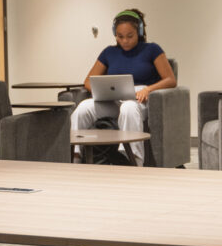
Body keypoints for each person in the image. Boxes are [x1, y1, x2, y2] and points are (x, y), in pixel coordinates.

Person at [71, 9, 177, 165]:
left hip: (140, 99)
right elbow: (88, 81)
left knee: (128, 108)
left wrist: (148, 89)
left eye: (130, 36)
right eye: (120, 36)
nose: (125, 41)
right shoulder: (109, 52)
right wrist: (100, 91)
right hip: (113, 99)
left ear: (139, 32)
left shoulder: (152, 49)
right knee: (83, 108)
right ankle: (75, 156)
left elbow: (170, 80)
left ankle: (133, 160)